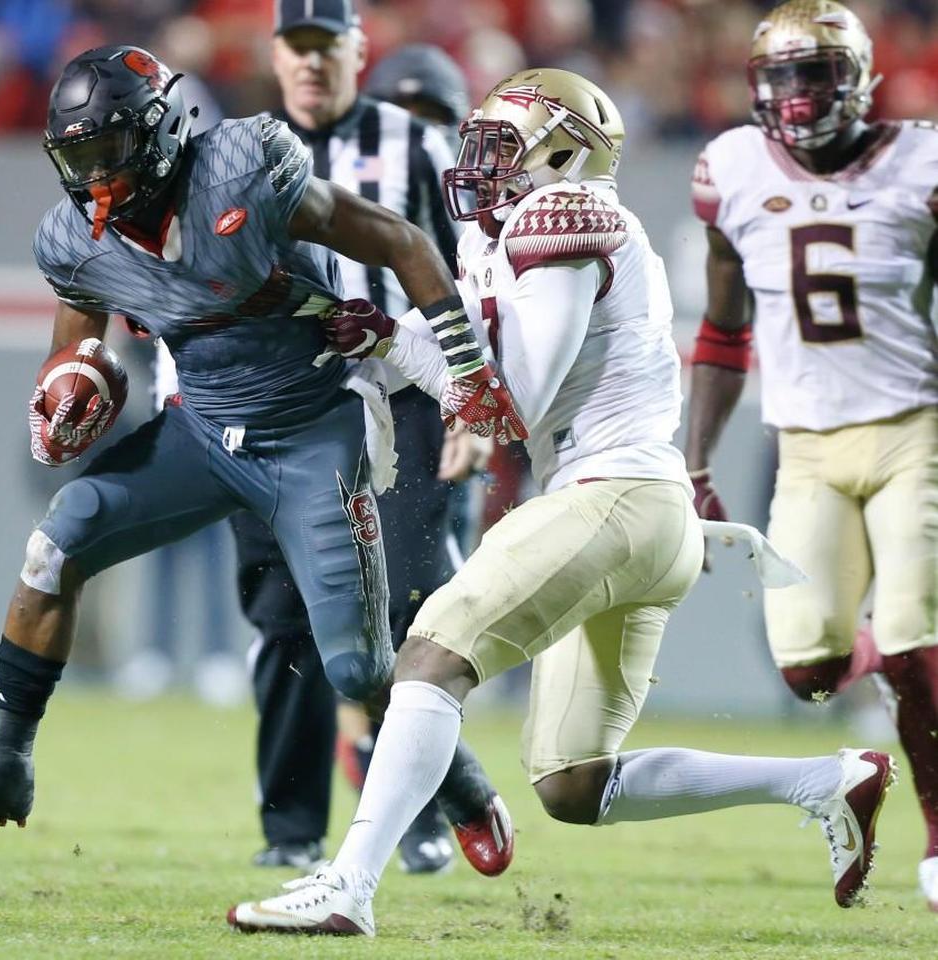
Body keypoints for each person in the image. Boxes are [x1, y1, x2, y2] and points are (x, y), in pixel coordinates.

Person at [227, 67, 897, 936]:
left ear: (563, 151)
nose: (482, 162)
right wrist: (390, 335)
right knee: (576, 782)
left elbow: (511, 404)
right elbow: (470, 364)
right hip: (643, 515)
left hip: (608, 495)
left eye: (503, 145)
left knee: (429, 656)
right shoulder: (520, 232)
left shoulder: (563, 214)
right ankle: (822, 780)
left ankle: (348, 883)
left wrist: (401, 343)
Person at [0, 44, 523, 879]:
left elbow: (399, 237)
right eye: (74, 159)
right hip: (199, 429)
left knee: (355, 665)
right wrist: (69, 392)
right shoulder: (75, 239)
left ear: (156, 136)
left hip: (312, 426)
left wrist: (465, 368)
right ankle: (7, 761)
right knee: (60, 540)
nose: (92, 179)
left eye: (105, 152)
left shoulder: (242, 167)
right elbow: (78, 345)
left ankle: (462, 781)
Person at [683, 0, 938, 910]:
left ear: (859, 77)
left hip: (917, 430)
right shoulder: (732, 170)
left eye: (817, 72)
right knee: (811, 671)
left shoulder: (923, 158)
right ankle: (895, 669)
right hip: (805, 448)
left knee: (916, 642)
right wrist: (696, 461)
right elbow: (723, 330)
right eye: (782, 75)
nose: (798, 94)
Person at [222, 7, 486, 874]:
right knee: (285, 617)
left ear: (356, 53)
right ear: (273, 56)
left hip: (402, 396)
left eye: (324, 48)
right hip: (277, 409)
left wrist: (469, 403)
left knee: (410, 599)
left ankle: (411, 810)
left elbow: (471, 280)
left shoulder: (414, 142)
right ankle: (291, 829)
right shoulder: (234, 155)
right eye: (294, 49)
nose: (308, 64)